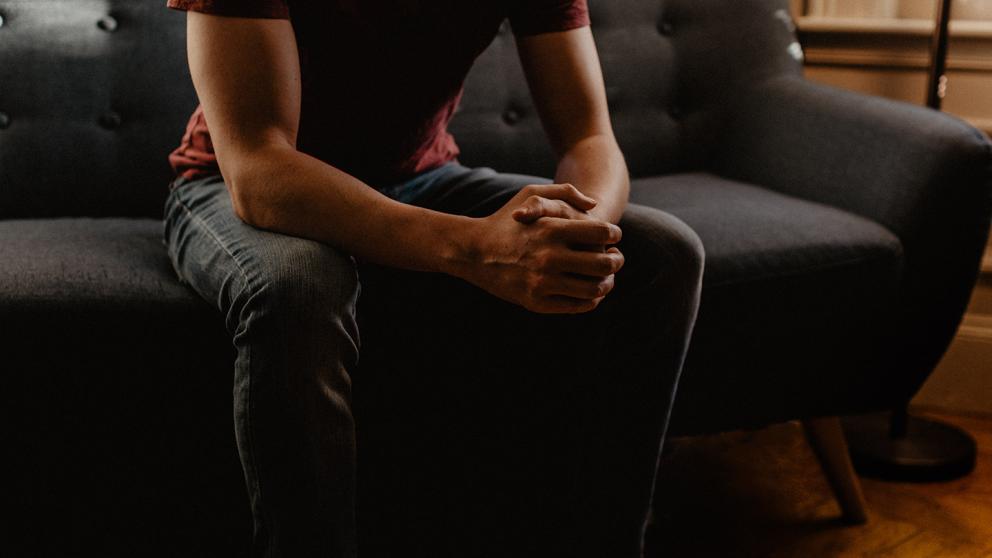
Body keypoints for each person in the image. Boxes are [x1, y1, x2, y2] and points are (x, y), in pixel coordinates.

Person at [163, 1, 704, 556]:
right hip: (235, 186)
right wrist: (473, 249)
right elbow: (257, 168)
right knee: (300, 286)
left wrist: (574, 237)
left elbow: (589, 139)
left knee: (661, 254)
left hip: (420, 179)